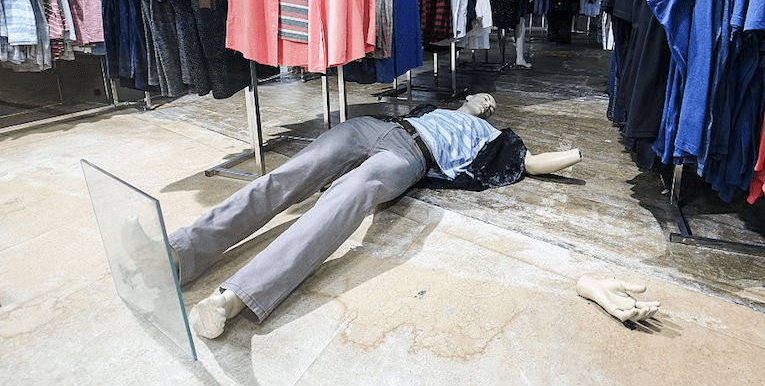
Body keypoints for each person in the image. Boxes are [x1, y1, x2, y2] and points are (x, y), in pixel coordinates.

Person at [163, 93, 655, 338]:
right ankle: (186, 249)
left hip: (408, 158)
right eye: (477, 97)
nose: (482, 101)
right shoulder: (433, 107)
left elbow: (533, 165)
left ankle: (235, 296)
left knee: (344, 200)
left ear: (490, 113)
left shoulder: (493, 141)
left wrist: (575, 153)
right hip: (376, 130)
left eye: (487, 102)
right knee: (290, 175)